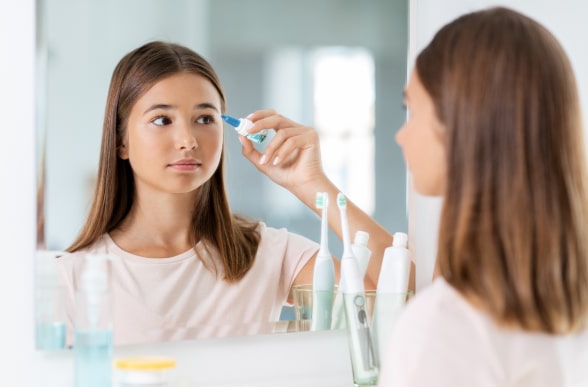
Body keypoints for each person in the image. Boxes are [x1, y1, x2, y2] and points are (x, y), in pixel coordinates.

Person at [57, 40, 395, 345]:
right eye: (162, 120)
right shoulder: (73, 277)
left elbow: (396, 297)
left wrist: (311, 184)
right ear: (121, 141)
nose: (188, 140)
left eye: (204, 119)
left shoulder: (268, 254)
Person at [375, 7, 588, 387]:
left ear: (463, 125)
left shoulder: (446, 328)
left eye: (410, 110)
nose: (400, 135)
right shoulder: (568, 307)